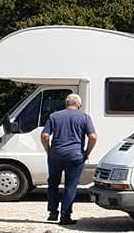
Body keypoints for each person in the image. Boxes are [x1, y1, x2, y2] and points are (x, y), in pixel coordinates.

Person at [40, 92, 97, 225]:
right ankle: (65, 216)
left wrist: (48, 150)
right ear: (79, 105)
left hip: (56, 154)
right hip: (75, 155)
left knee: (53, 183)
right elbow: (93, 137)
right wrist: (87, 152)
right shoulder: (85, 117)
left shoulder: (54, 116)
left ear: (66, 104)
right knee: (70, 186)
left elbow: (44, 136)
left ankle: (53, 213)